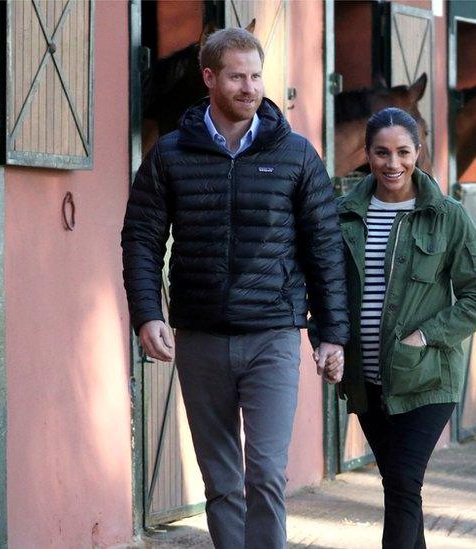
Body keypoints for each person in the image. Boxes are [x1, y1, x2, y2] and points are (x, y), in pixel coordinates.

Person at [121, 28, 347, 549]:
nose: (250, 87)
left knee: (265, 471)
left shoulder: (296, 155)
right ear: (210, 78)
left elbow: (325, 247)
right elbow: (141, 239)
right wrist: (146, 313)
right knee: (221, 481)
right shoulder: (169, 155)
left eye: (256, 75)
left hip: (272, 334)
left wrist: (331, 333)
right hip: (198, 336)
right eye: (237, 76)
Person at [333, 107, 476, 548]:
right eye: (382, 153)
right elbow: (325, 287)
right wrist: (325, 338)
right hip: (366, 382)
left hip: (425, 377)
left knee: (404, 483)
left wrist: (424, 336)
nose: (393, 163)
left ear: (418, 153)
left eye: (403, 152)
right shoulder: (343, 215)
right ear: (367, 154)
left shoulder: (447, 216)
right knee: (400, 487)